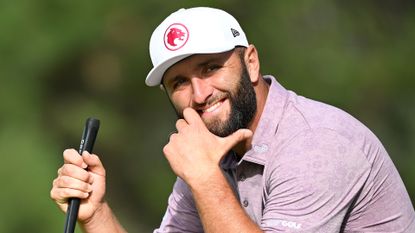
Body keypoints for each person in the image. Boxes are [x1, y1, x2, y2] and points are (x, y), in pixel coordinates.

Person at [50, 7, 415, 232]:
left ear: (251, 62)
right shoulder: (213, 154)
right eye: (179, 82)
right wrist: (96, 215)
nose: (199, 94)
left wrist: (205, 178)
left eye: (210, 67)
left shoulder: (315, 142)